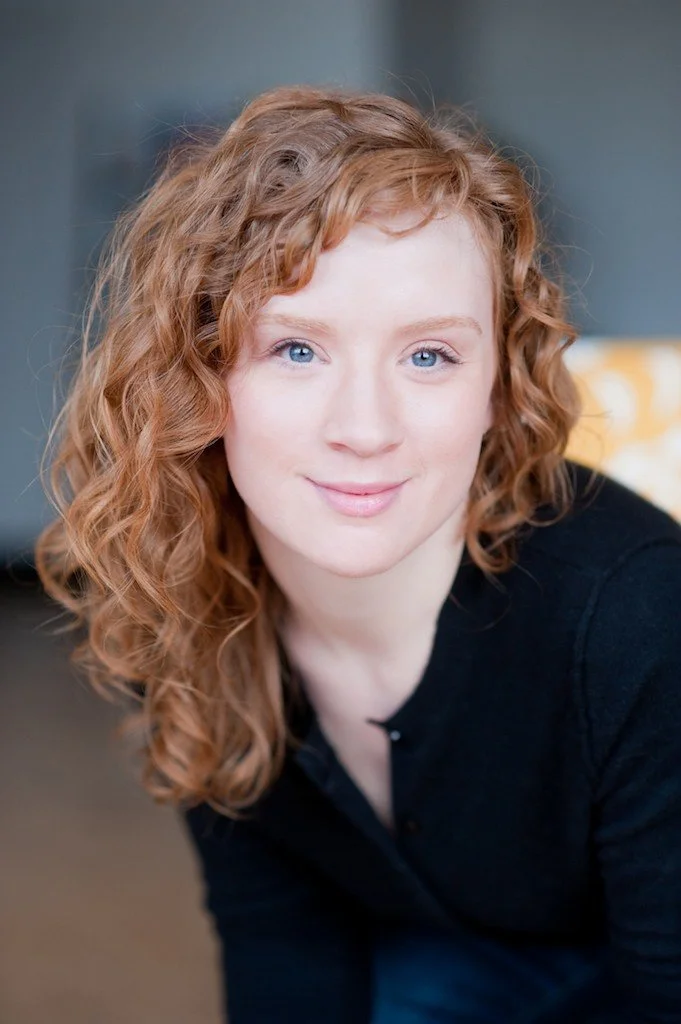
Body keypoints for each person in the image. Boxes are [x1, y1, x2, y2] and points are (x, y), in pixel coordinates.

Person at [34, 84, 681, 1023]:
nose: (364, 428)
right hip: (444, 960)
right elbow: (281, 943)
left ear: (498, 386)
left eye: (429, 356)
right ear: (199, 374)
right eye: (296, 350)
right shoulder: (180, 589)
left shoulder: (636, 613)